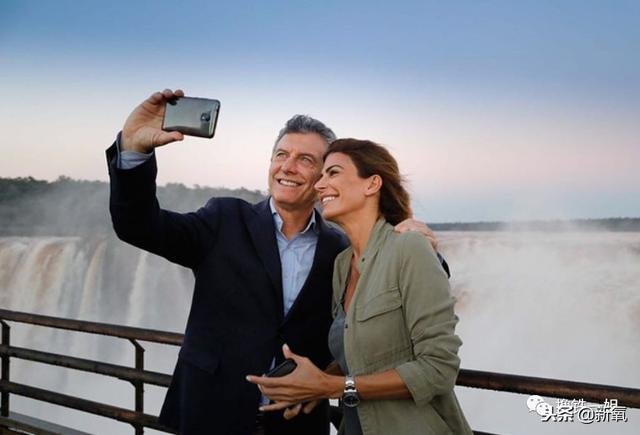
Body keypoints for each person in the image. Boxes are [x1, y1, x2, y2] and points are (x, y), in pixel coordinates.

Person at [106, 89, 447, 435]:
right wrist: (134, 151)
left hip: (297, 424)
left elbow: (406, 293)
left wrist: (422, 245)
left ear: (322, 178)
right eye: (281, 155)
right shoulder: (224, 219)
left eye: (306, 160)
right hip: (210, 415)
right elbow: (139, 226)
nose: (288, 166)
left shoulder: (341, 250)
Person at [248, 139, 471, 434]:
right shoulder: (342, 264)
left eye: (333, 173)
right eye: (321, 175)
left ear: (372, 184)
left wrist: (333, 386)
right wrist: (313, 383)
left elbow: (439, 369)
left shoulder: (409, 248)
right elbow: (359, 356)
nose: (319, 185)